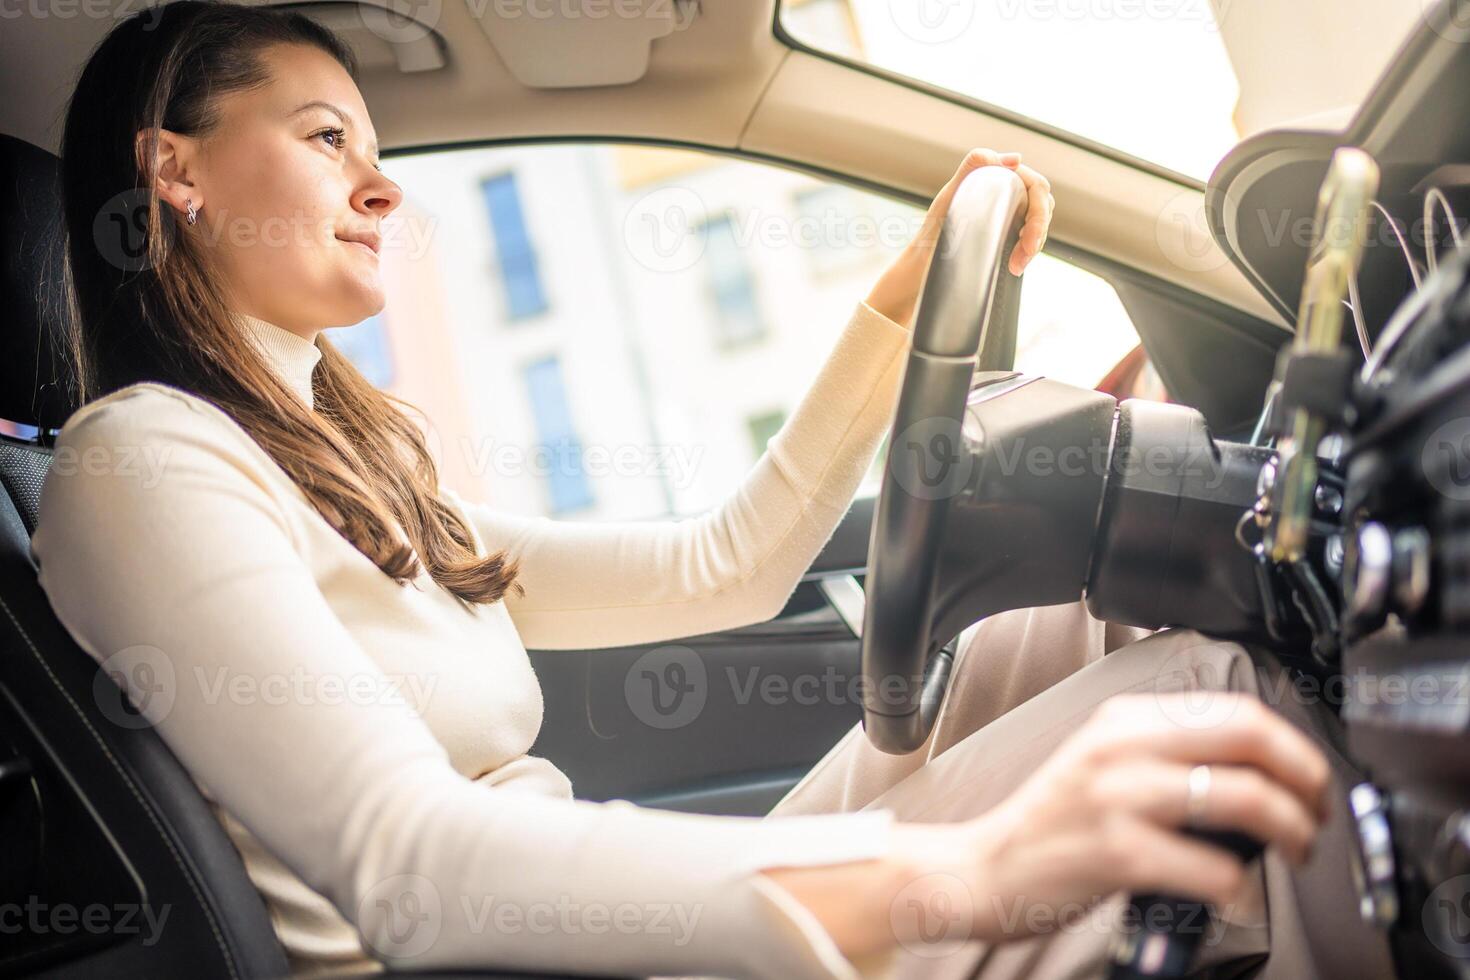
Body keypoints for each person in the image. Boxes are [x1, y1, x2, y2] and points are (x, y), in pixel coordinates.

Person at [32, 3, 1341, 978]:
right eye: (326, 140)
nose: (381, 186)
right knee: (1211, 718)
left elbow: (726, 567)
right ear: (178, 172)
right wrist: (957, 872)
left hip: (588, 949)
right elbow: (410, 870)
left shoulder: (352, 461)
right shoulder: (139, 464)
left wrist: (901, 302)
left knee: (1065, 623)